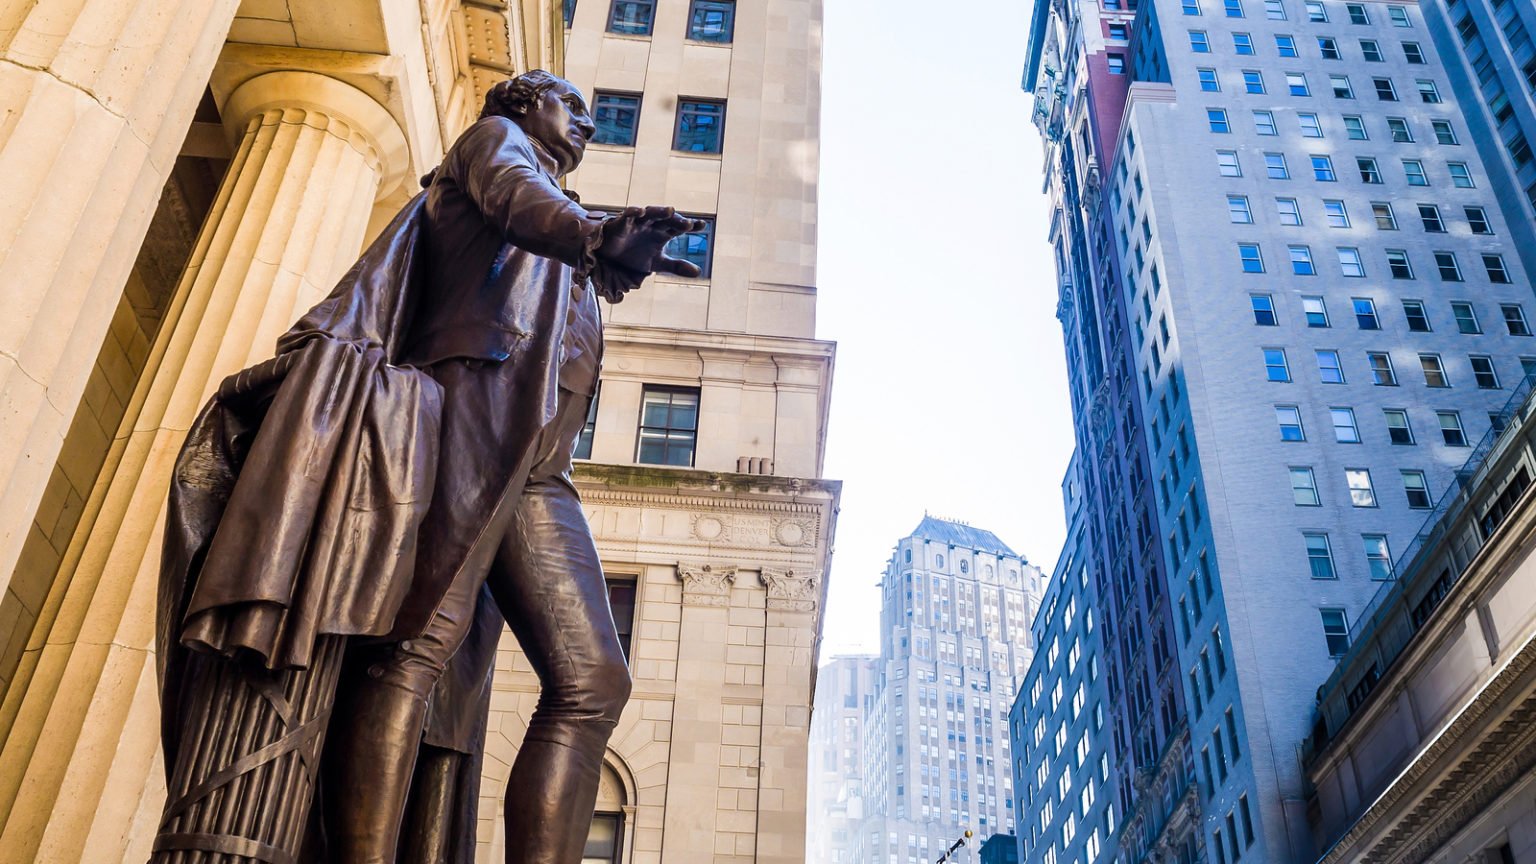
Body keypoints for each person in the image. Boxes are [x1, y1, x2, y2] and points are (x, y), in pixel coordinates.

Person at [153, 70, 702, 864]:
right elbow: (519, 199)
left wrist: (602, 256)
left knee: (593, 683)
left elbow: (549, 249)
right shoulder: (495, 146)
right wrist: (592, 235)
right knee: (415, 650)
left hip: (540, 469)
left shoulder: (556, 219)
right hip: (472, 422)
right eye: (569, 106)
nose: (587, 123)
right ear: (522, 105)